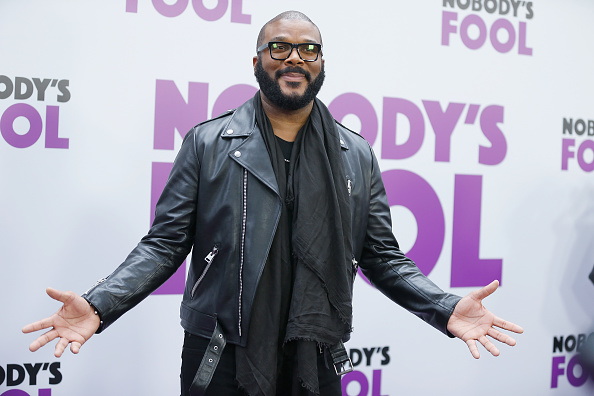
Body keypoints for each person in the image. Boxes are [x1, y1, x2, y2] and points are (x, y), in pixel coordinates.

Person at [22, 10, 524, 396]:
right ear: (257, 60)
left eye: (309, 50)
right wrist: (99, 304)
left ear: (322, 64)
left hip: (316, 356)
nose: (294, 59)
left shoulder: (356, 156)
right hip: (221, 357)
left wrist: (444, 307)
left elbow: (382, 257)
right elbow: (164, 244)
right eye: (279, 47)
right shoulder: (208, 142)